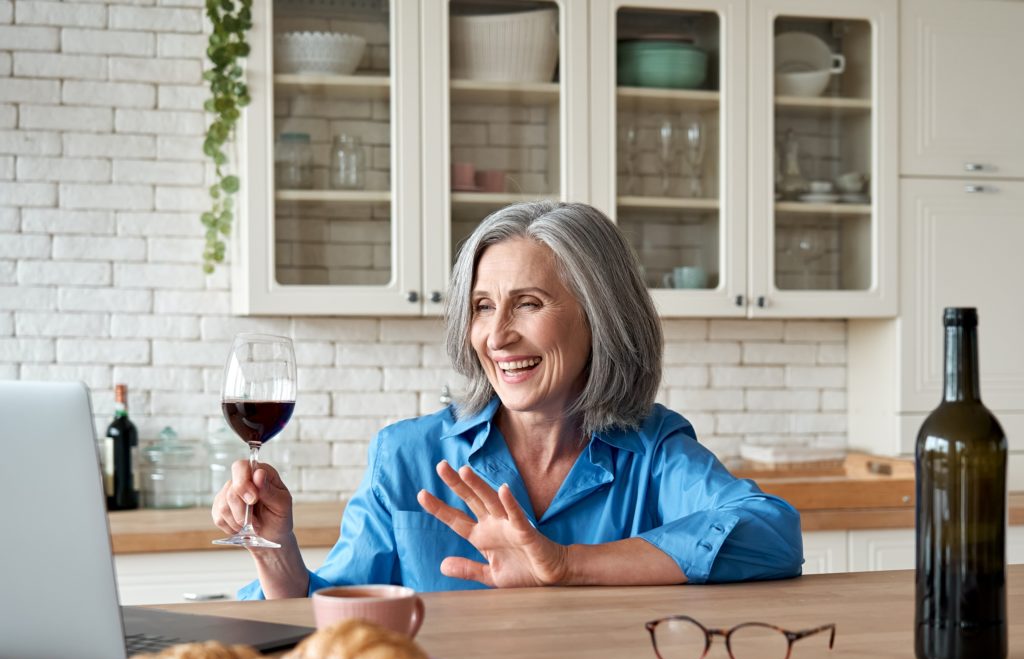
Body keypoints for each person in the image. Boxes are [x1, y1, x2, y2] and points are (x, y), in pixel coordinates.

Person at [213, 201, 803, 597]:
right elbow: (331, 613)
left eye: (528, 303)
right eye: (483, 306)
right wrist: (274, 545)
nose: (497, 337)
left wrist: (565, 564)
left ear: (601, 317)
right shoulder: (407, 455)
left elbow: (772, 534)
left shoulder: (652, 450)